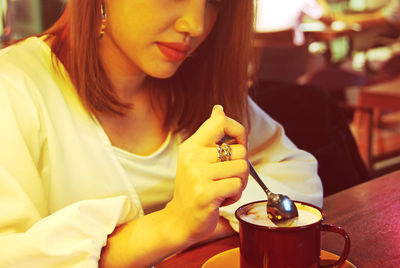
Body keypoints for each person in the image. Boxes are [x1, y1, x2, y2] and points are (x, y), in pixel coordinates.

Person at [0, 0, 323, 267]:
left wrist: (204, 223)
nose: (195, 25)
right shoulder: (13, 89)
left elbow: (297, 177)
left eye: (214, 3)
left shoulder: (200, 85)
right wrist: (173, 225)